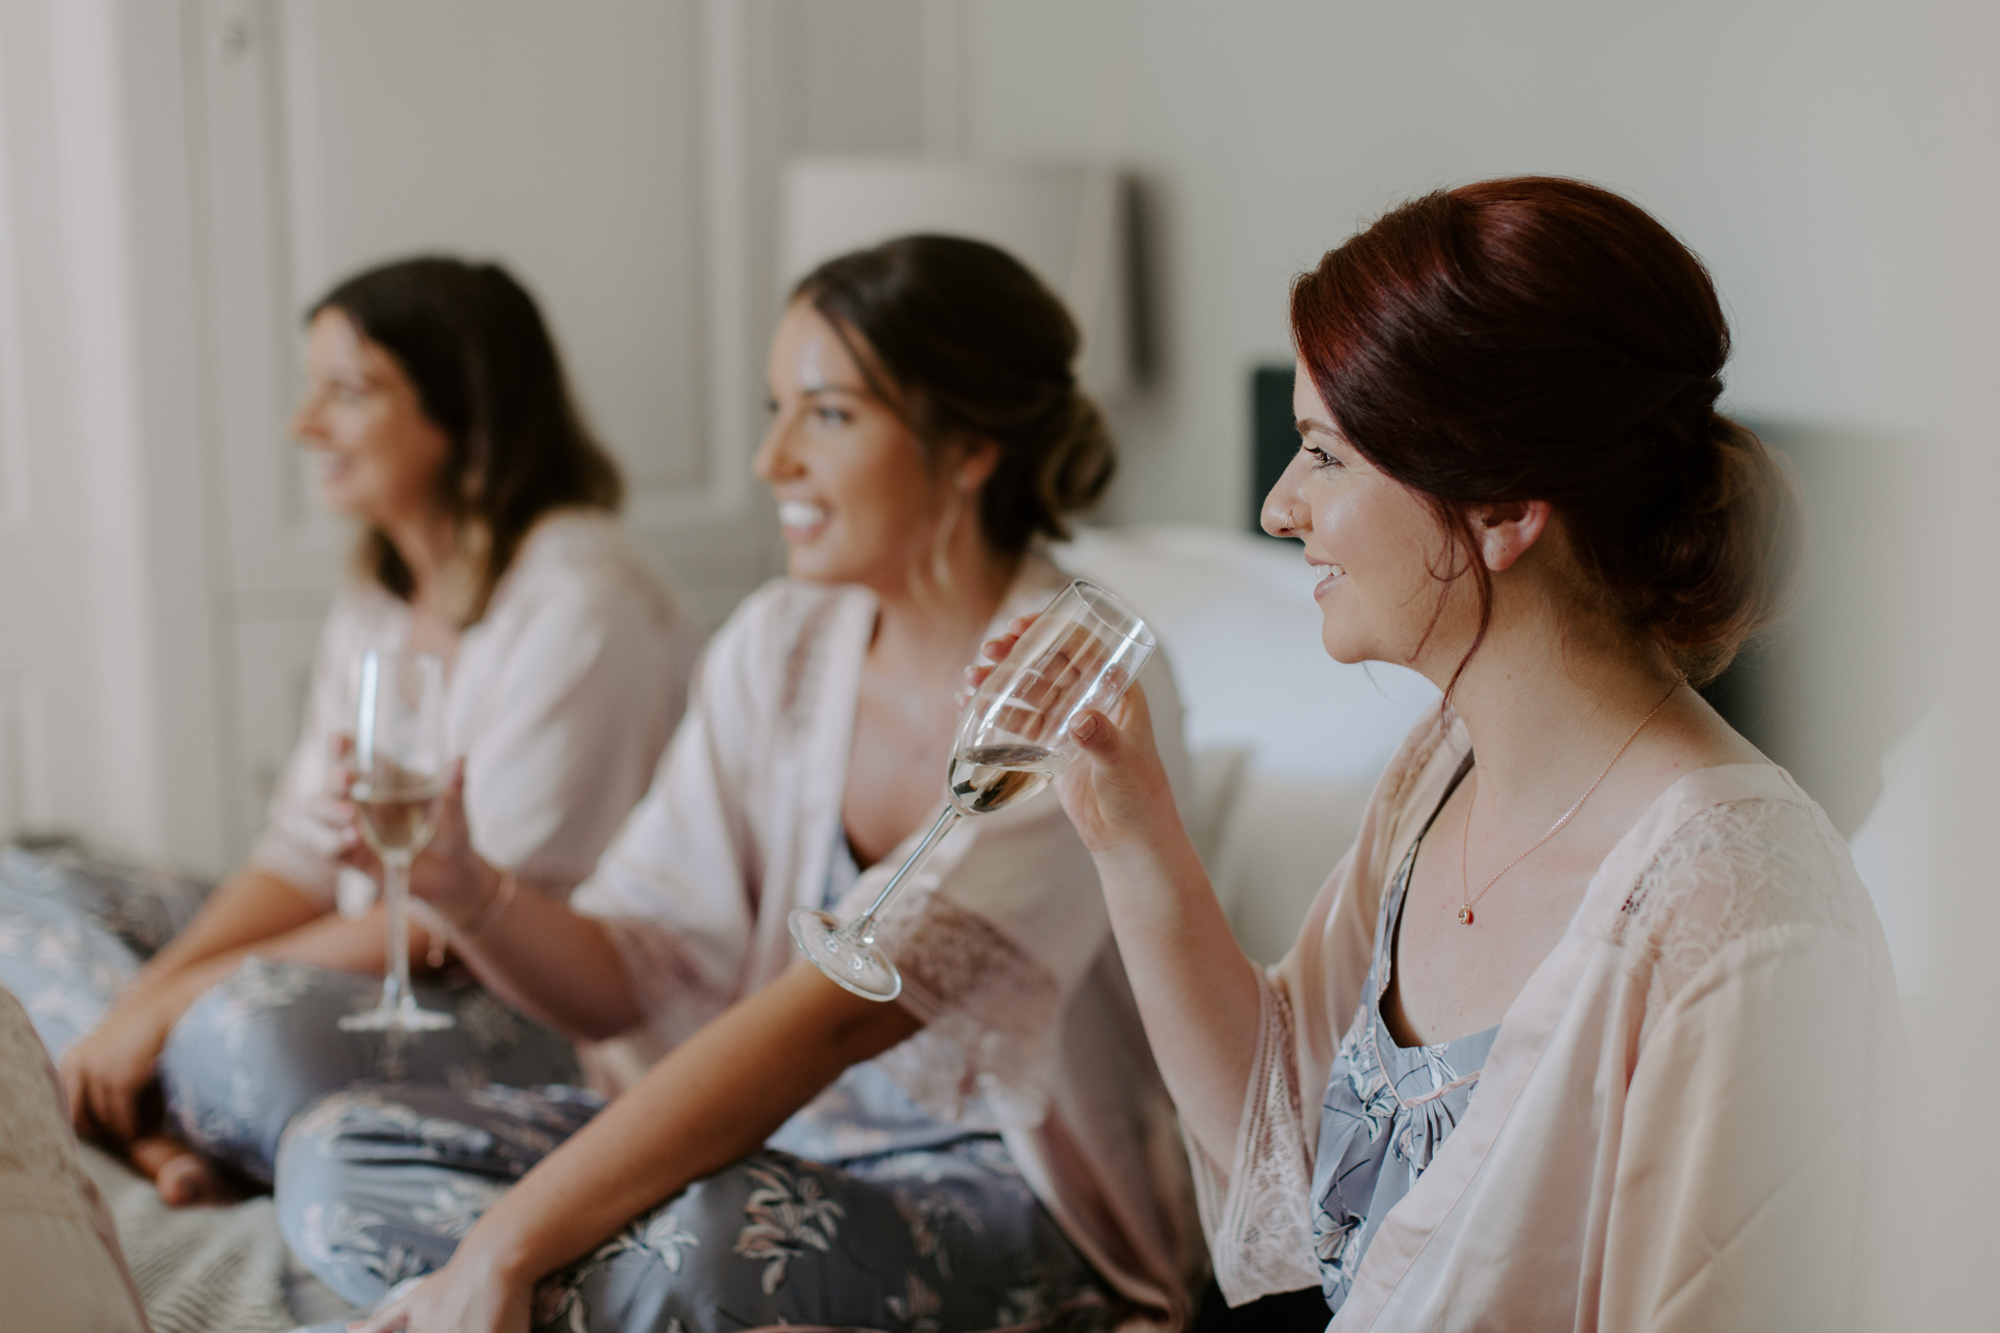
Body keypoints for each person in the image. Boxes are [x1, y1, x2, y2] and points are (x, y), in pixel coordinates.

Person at [982, 178, 1900, 1328]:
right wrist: (1131, 831)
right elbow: (1287, 1168)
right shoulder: (1442, 767)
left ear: (1503, 507)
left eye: (1324, 454)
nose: (1276, 507)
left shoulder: (1738, 919)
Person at [275, 235, 1204, 1333]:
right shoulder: (781, 643)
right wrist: (466, 887)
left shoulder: (1081, 686)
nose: (770, 460)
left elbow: (827, 1026)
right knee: (341, 1152)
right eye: (775, 409)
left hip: (999, 1200)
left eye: (826, 414)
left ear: (967, 447)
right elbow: (629, 971)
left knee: (704, 1244)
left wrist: (499, 1248)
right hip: (766, 1154)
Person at [43, 257, 701, 1205]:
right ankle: (144, 1114)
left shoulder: (584, 600)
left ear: (462, 407)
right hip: (362, 948)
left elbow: (460, 917)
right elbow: (302, 853)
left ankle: (144, 1105)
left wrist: (184, 996)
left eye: (347, 393)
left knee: (239, 1030)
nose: (303, 424)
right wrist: (147, 997)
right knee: (24, 893)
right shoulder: (379, 598)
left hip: (515, 1002)